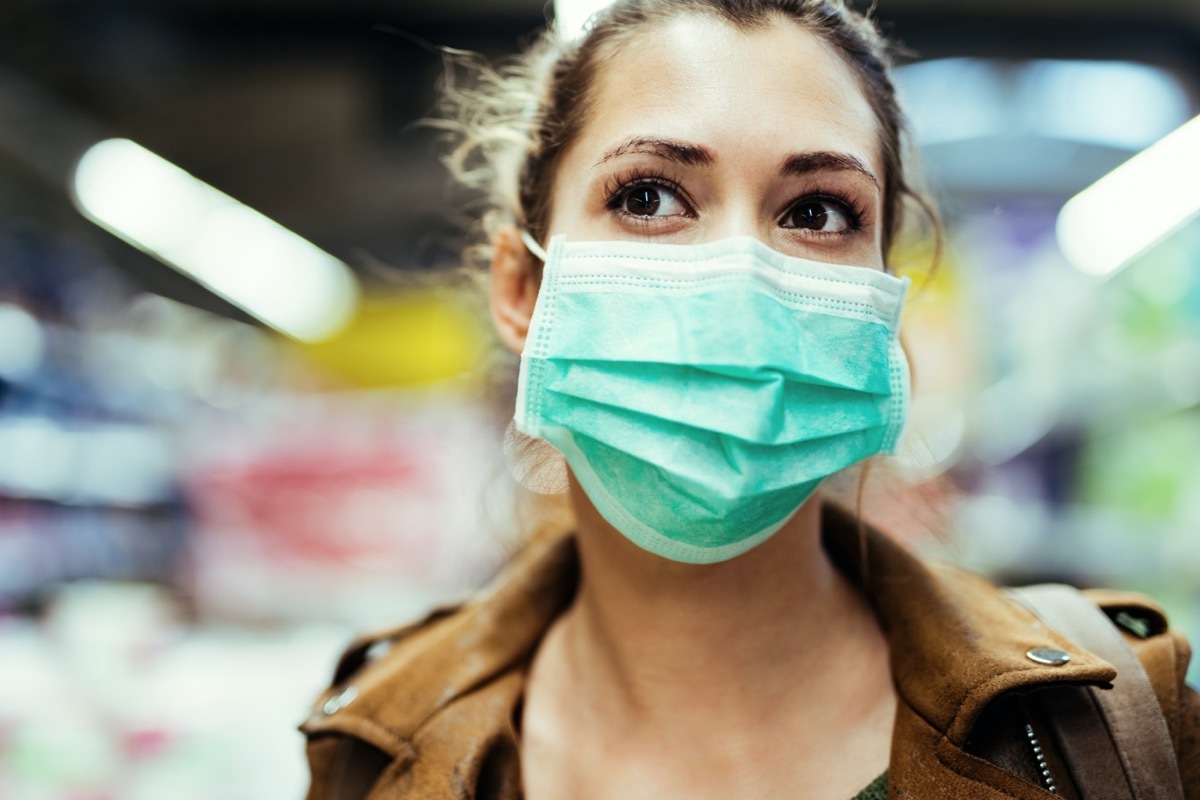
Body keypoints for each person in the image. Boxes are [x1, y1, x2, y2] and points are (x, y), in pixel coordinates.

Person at [301, 1, 1200, 798]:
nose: (742, 278)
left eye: (816, 212)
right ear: (521, 291)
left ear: (884, 302)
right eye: (650, 195)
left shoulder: (1113, 725)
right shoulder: (374, 754)